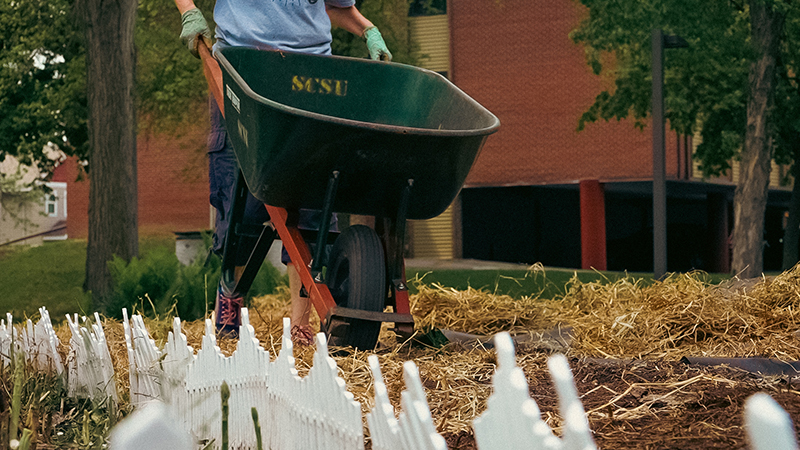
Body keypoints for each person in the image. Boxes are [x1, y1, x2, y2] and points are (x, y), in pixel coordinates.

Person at [174, 0, 392, 344]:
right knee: (239, 201)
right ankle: (231, 295)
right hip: (243, 71)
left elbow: (336, 7)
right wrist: (189, 10)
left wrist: (368, 30)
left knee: (313, 201)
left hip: (313, 78)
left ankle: (300, 322)